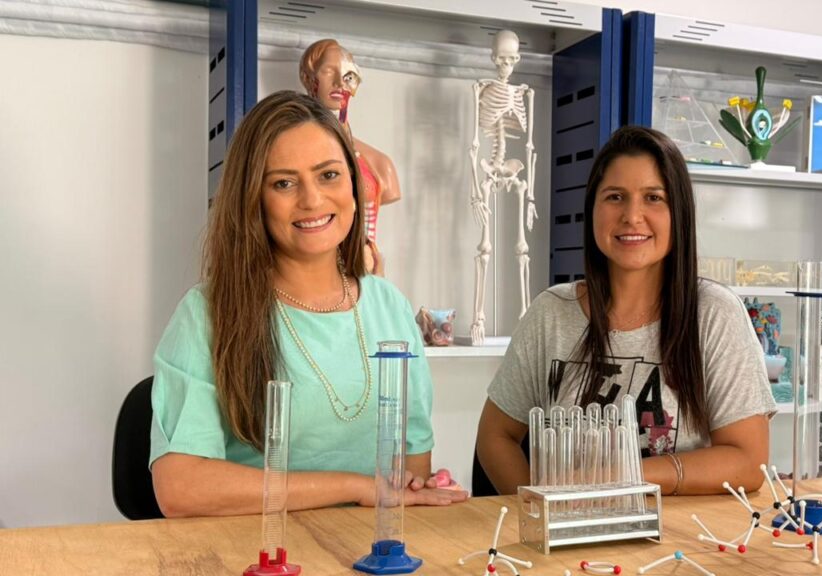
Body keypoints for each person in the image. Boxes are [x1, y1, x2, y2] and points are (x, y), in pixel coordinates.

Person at [150, 91, 466, 517]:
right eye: (284, 183)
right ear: (253, 199)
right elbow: (181, 488)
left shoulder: (391, 307)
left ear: (353, 184)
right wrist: (356, 487)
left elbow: (408, 481)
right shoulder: (206, 314)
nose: (312, 200)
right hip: (256, 548)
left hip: (364, 548)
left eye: (329, 175)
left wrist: (415, 491)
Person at [476, 126, 776, 496]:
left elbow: (748, 462)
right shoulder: (550, 313)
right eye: (615, 197)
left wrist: (624, 475)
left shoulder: (715, 314)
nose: (632, 216)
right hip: (569, 531)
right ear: (592, 210)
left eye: (654, 197)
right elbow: (496, 436)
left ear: (679, 213)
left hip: (677, 531)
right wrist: (539, 509)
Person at [299, 39, 400, 275]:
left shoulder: (379, 164)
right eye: (328, 71)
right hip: (313, 278)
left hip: (367, 278)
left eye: (347, 74)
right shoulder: (292, 159)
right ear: (309, 78)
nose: (339, 82)